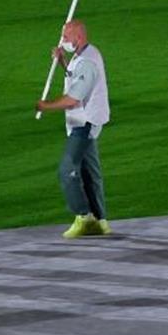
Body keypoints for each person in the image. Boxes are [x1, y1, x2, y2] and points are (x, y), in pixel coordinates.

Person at [35, 19, 112, 239]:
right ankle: (100, 221)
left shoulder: (88, 61)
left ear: (78, 37)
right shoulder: (83, 55)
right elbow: (75, 79)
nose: (63, 41)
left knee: (66, 170)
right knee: (90, 173)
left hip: (84, 123)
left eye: (66, 38)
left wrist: (45, 105)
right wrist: (62, 62)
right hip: (82, 121)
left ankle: (84, 217)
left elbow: (73, 100)